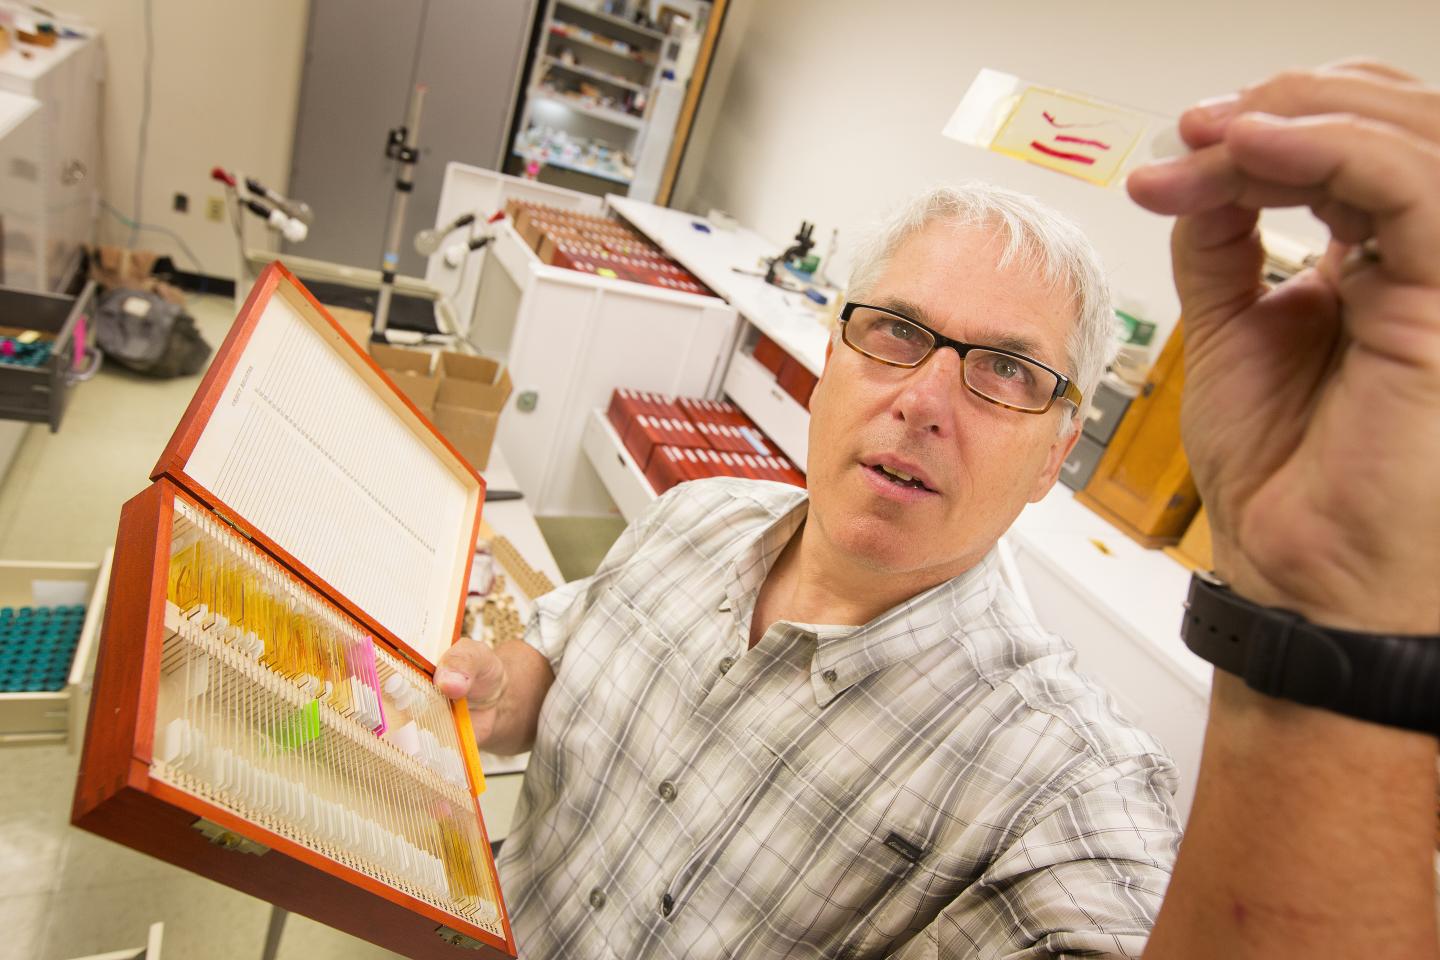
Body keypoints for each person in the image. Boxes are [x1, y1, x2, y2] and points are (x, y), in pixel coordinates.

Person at [440, 60, 1440, 959]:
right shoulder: (690, 517)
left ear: (1056, 452)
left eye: (1006, 370)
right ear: (831, 361)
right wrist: (504, 687)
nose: (923, 401)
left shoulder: (1051, 782)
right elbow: (565, 649)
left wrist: (1328, 618)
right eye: (898, 331)